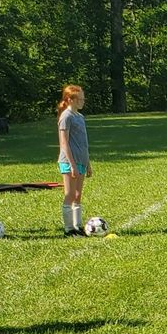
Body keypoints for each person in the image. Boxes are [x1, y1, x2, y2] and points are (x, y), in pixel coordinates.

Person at [57, 84, 92, 237]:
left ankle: (78, 226)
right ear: (70, 100)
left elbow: (84, 143)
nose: (83, 101)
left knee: (78, 195)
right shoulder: (66, 117)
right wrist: (72, 165)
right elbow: (64, 142)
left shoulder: (80, 117)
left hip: (81, 161)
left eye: (83, 99)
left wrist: (88, 163)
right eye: (80, 99)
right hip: (69, 162)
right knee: (70, 194)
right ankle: (68, 229)